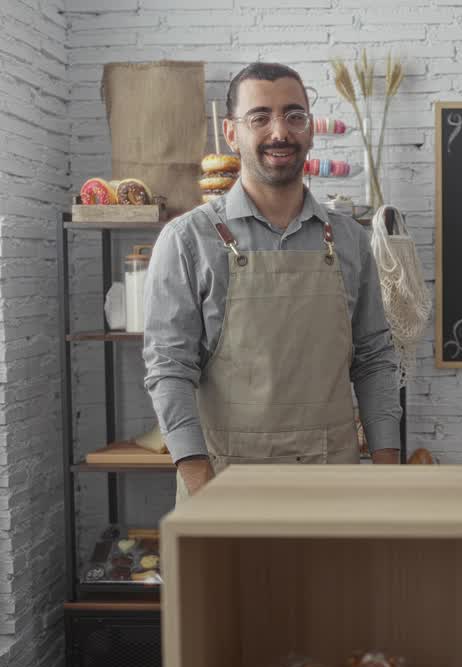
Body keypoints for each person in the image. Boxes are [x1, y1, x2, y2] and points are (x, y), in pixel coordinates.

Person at [143, 62, 402, 504]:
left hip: (332, 481)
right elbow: (169, 369)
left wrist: (387, 474)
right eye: (259, 117)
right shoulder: (188, 240)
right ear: (230, 132)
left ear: (311, 130)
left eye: (294, 115)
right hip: (222, 483)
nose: (279, 131)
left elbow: (375, 360)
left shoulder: (350, 239)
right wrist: (201, 485)